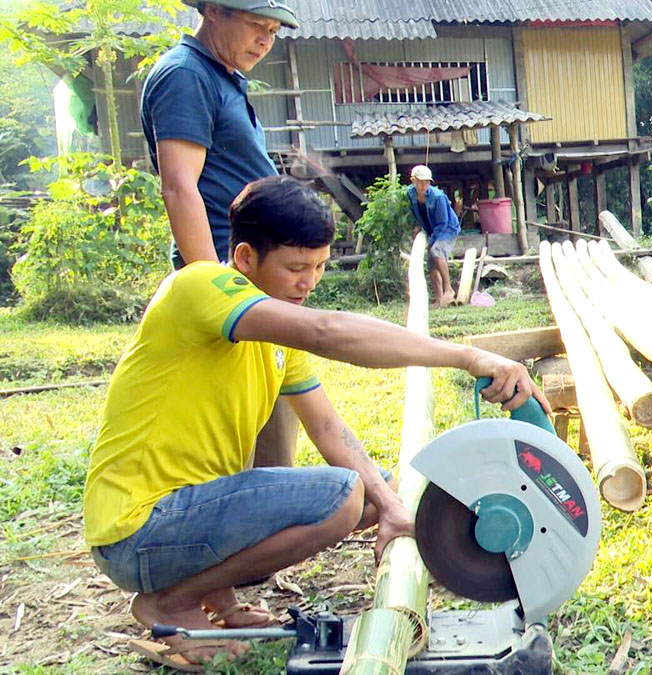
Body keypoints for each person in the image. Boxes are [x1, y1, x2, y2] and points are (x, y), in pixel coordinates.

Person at [84, 176, 549, 670]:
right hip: (137, 529)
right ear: (245, 259)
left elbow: (329, 431)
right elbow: (330, 331)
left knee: (375, 493)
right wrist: (467, 356)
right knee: (344, 495)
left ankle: (211, 599)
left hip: (183, 518)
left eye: (321, 266)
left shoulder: (276, 331)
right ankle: (170, 602)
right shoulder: (199, 286)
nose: (310, 282)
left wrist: (392, 509)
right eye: (296, 268)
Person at [141, 0, 302, 469]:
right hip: (231, 275)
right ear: (213, 11)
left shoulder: (223, 77)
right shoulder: (185, 76)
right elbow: (180, 186)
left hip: (257, 274)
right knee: (235, 418)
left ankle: (277, 513)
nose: (265, 40)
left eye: (273, 31)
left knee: (273, 405)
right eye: (256, 26)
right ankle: (248, 523)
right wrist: (214, 286)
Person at [408, 165, 461, 307]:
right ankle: (439, 299)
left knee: (436, 251)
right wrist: (418, 225)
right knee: (431, 263)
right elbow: (415, 212)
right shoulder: (410, 194)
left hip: (447, 229)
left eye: (427, 182)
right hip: (431, 229)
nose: (424, 185)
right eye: (421, 181)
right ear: (413, 181)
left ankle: (448, 289)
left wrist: (430, 241)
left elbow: (442, 223)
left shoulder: (438, 197)